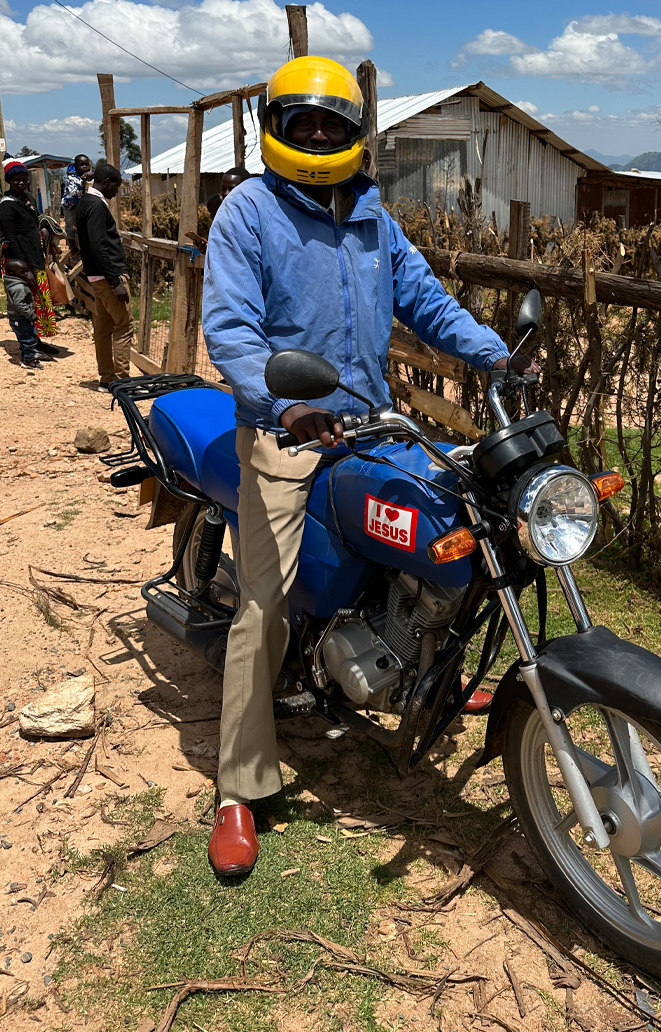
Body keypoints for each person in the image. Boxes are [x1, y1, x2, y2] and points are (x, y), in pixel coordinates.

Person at [201, 56, 536, 878]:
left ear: (353, 135)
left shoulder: (373, 218)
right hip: (286, 432)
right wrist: (282, 405)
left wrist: (494, 356)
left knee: (456, 533)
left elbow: (424, 300)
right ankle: (240, 786)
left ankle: (425, 674)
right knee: (263, 606)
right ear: (274, 128)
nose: (317, 134)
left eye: (333, 124)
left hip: (371, 426)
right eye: (302, 121)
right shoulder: (248, 212)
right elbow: (233, 329)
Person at [74, 161, 132, 390]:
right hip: (108, 277)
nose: (116, 192)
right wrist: (115, 280)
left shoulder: (84, 203)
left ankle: (107, 378)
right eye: (115, 187)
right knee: (123, 326)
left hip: (96, 277)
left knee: (103, 327)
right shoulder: (97, 206)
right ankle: (121, 379)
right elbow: (99, 246)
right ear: (106, 182)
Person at [0, 161, 58, 341]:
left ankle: (37, 341)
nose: (21, 183)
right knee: (26, 304)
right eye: (17, 180)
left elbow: (35, 220)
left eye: (24, 179)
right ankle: (29, 345)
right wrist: (24, 270)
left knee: (39, 302)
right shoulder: (6, 206)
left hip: (35, 257)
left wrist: (44, 226)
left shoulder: (27, 199)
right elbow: (10, 239)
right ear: (9, 181)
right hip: (21, 262)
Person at [3, 257, 42, 372]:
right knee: (28, 339)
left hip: (18, 318)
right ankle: (29, 360)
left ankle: (27, 355)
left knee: (27, 337)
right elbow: (19, 304)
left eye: (26, 271)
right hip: (21, 318)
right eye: (22, 272)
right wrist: (31, 315)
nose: (26, 274)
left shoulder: (14, 283)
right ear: (12, 273)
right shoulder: (18, 287)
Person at [62, 153, 93, 258]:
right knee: (71, 227)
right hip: (70, 206)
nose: (84, 167)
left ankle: (82, 249)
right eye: (81, 165)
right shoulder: (72, 177)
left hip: (81, 206)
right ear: (76, 166)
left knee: (81, 227)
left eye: (86, 164)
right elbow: (73, 193)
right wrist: (82, 181)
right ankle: (73, 251)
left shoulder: (90, 174)